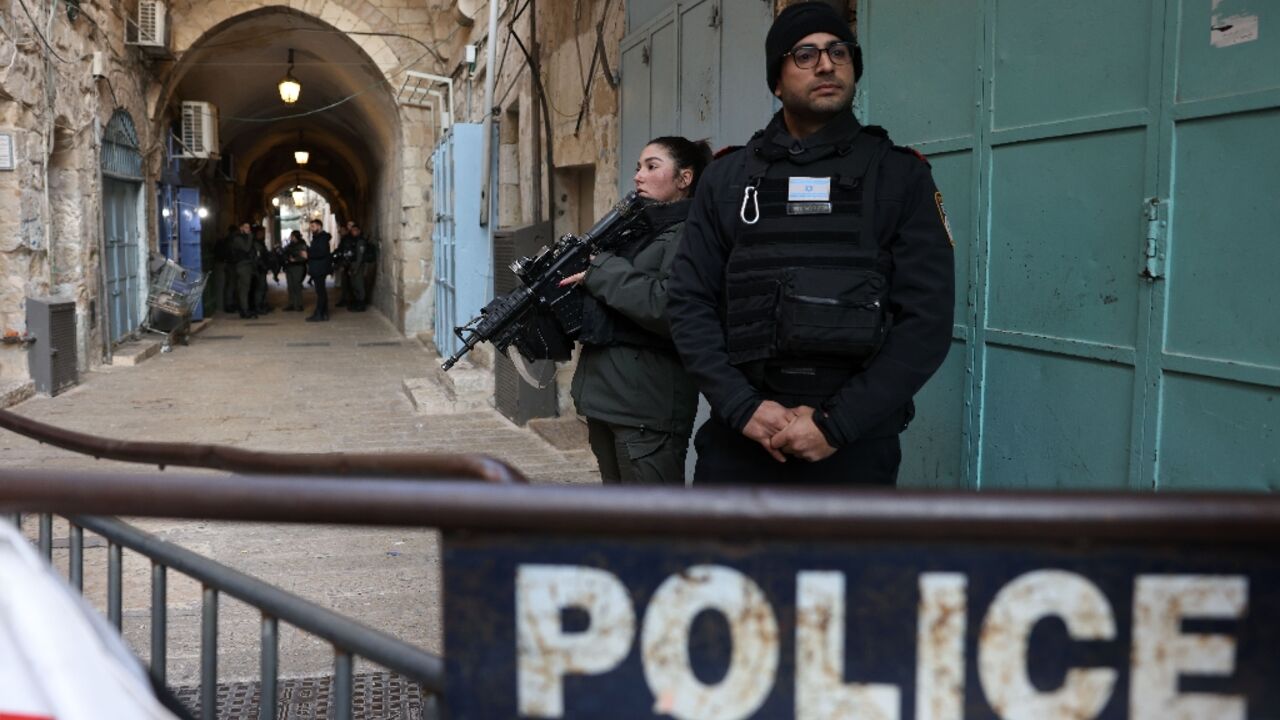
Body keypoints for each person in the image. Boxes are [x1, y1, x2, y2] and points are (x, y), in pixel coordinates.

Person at [667, 1, 955, 486]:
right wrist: (742, 406)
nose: (826, 64)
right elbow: (689, 301)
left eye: (838, 52)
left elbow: (926, 320)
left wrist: (836, 424)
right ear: (776, 80)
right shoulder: (727, 178)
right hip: (743, 442)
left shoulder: (900, 175)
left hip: (856, 446)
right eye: (804, 54)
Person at [560, 137, 711, 485]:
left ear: (684, 179)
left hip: (647, 408)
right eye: (638, 168)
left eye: (652, 166)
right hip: (606, 399)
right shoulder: (635, 231)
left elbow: (669, 306)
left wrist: (600, 271)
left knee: (655, 526)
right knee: (622, 522)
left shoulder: (693, 232)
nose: (639, 176)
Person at [305, 219, 333, 322]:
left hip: (320, 268)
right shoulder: (318, 238)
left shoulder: (322, 238)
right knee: (321, 291)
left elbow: (321, 252)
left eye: (313, 226)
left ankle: (319, 314)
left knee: (320, 292)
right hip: (318, 267)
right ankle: (324, 313)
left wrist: (308, 254)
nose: (311, 228)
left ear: (319, 226)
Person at [347, 223, 377, 312]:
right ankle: (357, 303)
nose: (353, 232)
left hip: (359, 266)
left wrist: (356, 269)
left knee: (359, 285)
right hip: (353, 265)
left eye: (355, 230)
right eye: (352, 230)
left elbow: (360, 257)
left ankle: (361, 304)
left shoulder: (360, 242)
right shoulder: (353, 241)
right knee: (354, 285)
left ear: (359, 231)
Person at [229, 222, 257, 319]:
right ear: (241, 228)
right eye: (245, 227)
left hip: (246, 265)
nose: (248, 229)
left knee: (243, 289)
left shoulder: (242, 237)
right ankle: (244, 310)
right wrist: (250, 236)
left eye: (249, 227)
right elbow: (246, 249)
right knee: (244, 289)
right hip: (243, 266)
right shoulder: (238, 238)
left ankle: (243, 309)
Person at [282, 230, 308, 311]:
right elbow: (285, 252)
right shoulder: (290, 245)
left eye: (291, 236)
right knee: (290, 286)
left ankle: (299, 304)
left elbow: (305, 257)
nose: (290, 237)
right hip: (289, 267)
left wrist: (295, 259)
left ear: (295, 236)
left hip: (297, 267)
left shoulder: (302, 245)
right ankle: (291, 304)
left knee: (296, 286)